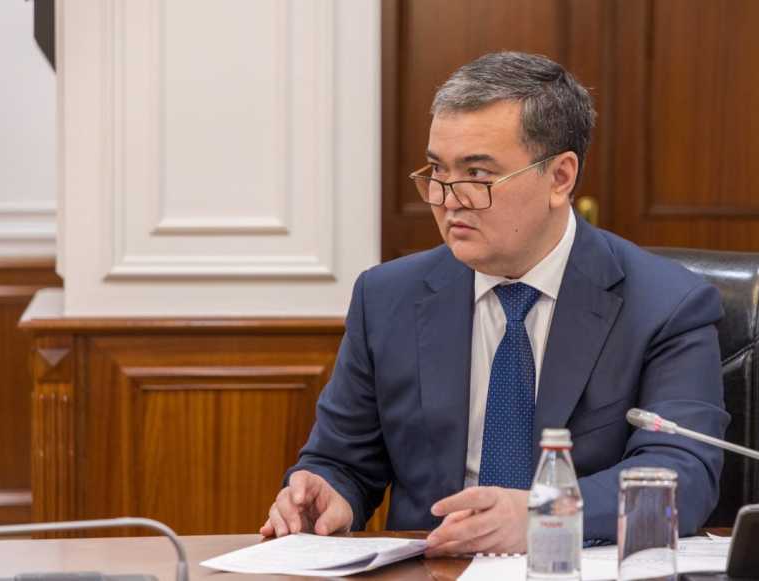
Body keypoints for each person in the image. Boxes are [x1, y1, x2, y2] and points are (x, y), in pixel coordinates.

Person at [261, 51, 729, 555]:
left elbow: (681, 474)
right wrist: (327, 491)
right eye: (437, 171)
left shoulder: (666, 304)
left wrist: (544, 514)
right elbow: (343, 461)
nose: (448, 199)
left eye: (478, 174)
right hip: (435, 566)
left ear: (560, 177)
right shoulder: (387, 297)